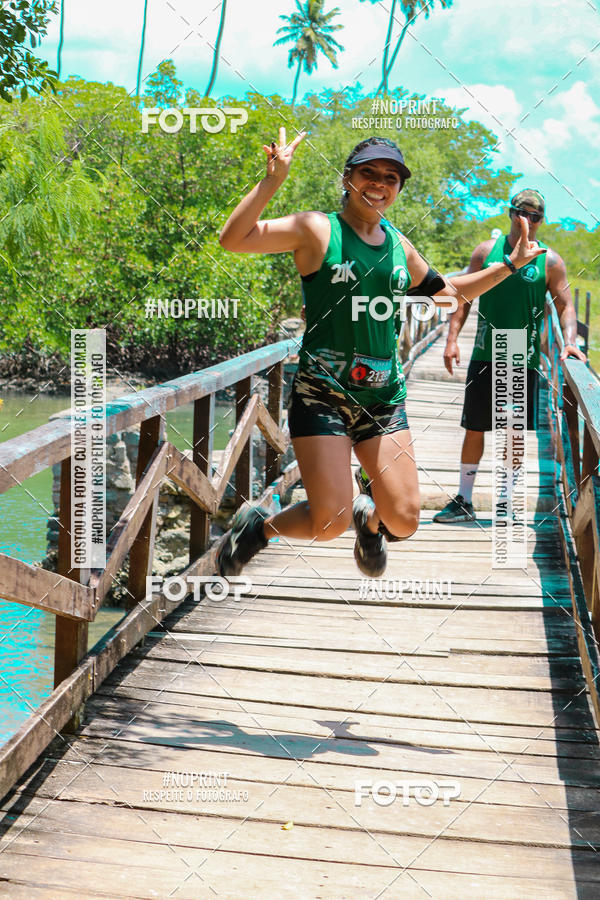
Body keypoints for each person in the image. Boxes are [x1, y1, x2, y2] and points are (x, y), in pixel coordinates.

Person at [216, 132, 547, 577]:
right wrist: (272, 181)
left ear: (398, 189)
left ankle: (368, 522)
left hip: (383, 401)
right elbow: (234, 239)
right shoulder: (317, 229)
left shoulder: (398, 246)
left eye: (390, 177)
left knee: (405, 519)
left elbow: (448, 297)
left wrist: (509, 267)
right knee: (327, 522)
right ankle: (258, 528)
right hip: (323, 397)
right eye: (368, 172)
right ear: (348, 178)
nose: (379, 183)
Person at [434, 189, 587, 523]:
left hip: (523, 355)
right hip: (485, 352)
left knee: (512, 433)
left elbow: (566, 307)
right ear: (510, 213)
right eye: (521, 213)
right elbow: (461, 298)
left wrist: (570, 342)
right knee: (474, 428)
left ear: (541, 220)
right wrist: (452, 339)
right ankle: (464, 499)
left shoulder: (550, 260)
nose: (527, 221)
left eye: (534, 216)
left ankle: (506, 503)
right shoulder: (487, 252)